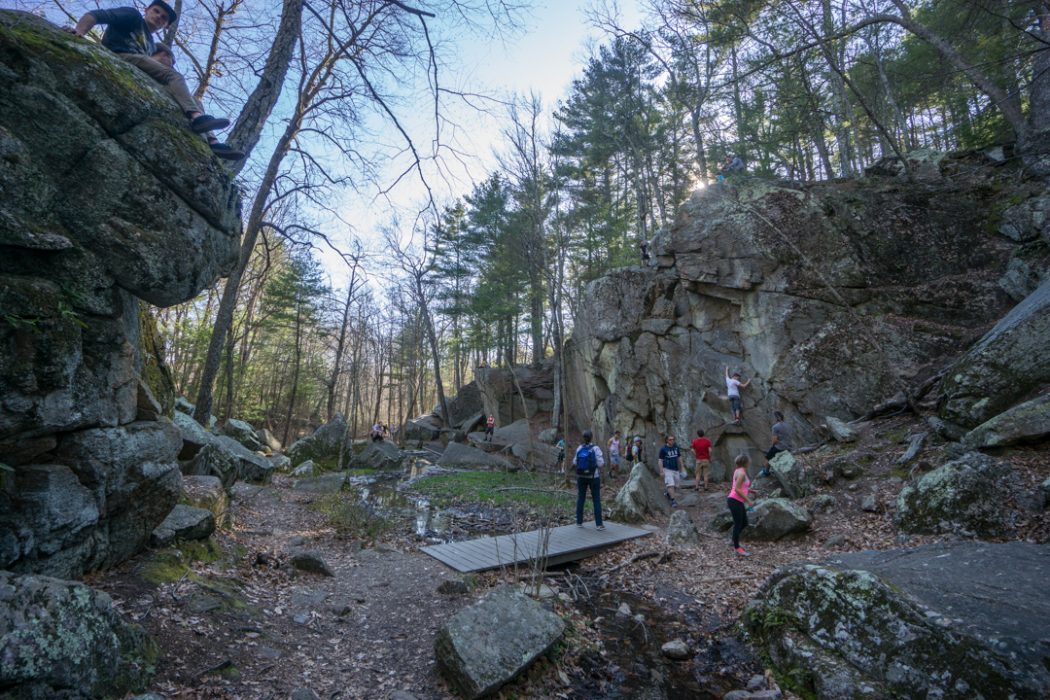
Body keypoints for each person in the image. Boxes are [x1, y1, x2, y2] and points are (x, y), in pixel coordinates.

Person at [68, 3, 243, 160]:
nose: (159, 17)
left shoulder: (151, 45)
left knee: (195, 100)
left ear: (165, 25)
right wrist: (80, 32)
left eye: (164, 18)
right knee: (174, 76)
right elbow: (96, 15)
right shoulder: (133, 17)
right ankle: (197, 118)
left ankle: (212, 142)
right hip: (118, 56)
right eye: (156, 11)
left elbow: (155, 65)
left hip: (137, 70)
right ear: (147, 10)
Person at [573, 430, 605, 530]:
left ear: (583, 438)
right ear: (591, 437)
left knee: (581, 498)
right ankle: (599, 525)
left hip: (581, 477)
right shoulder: (595, 448)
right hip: (593, 477)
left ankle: (579, 522)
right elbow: (600, 464)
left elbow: (575, 462)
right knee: (596, 499)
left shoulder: (579, 448)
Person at [727, 453, 757, 556]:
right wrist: (749, 500)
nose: (750, 462)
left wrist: (750, 490)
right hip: (735, 500)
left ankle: (733, 540)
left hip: (736, 501)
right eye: (749, 460)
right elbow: (737, 489)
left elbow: (741, 486)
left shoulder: (739, 471)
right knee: (738, 524)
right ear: (745, 462)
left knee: (744, 523)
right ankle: (737, 548)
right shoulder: (741, 473)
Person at [759, 411, 794, 477]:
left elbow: (774, 440)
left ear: (776, 418)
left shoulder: (775, 427)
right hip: (789, 446)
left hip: (780, 447)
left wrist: (772, 446)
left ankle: (766, 472)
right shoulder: (789, 425)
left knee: (768, 458)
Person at [658, 435, 684, 507]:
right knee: (670, 485)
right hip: (667, 469)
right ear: (667, 440)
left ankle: (668, 494)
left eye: (673, 439)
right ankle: (673, 501)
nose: (672, 441)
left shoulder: (676, 447)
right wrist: (661, 471)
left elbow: (679, 457)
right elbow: (660, 460)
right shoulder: (663, 449)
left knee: (676, 485)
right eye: (670, 440)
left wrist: (682, 467)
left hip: (676, 469)